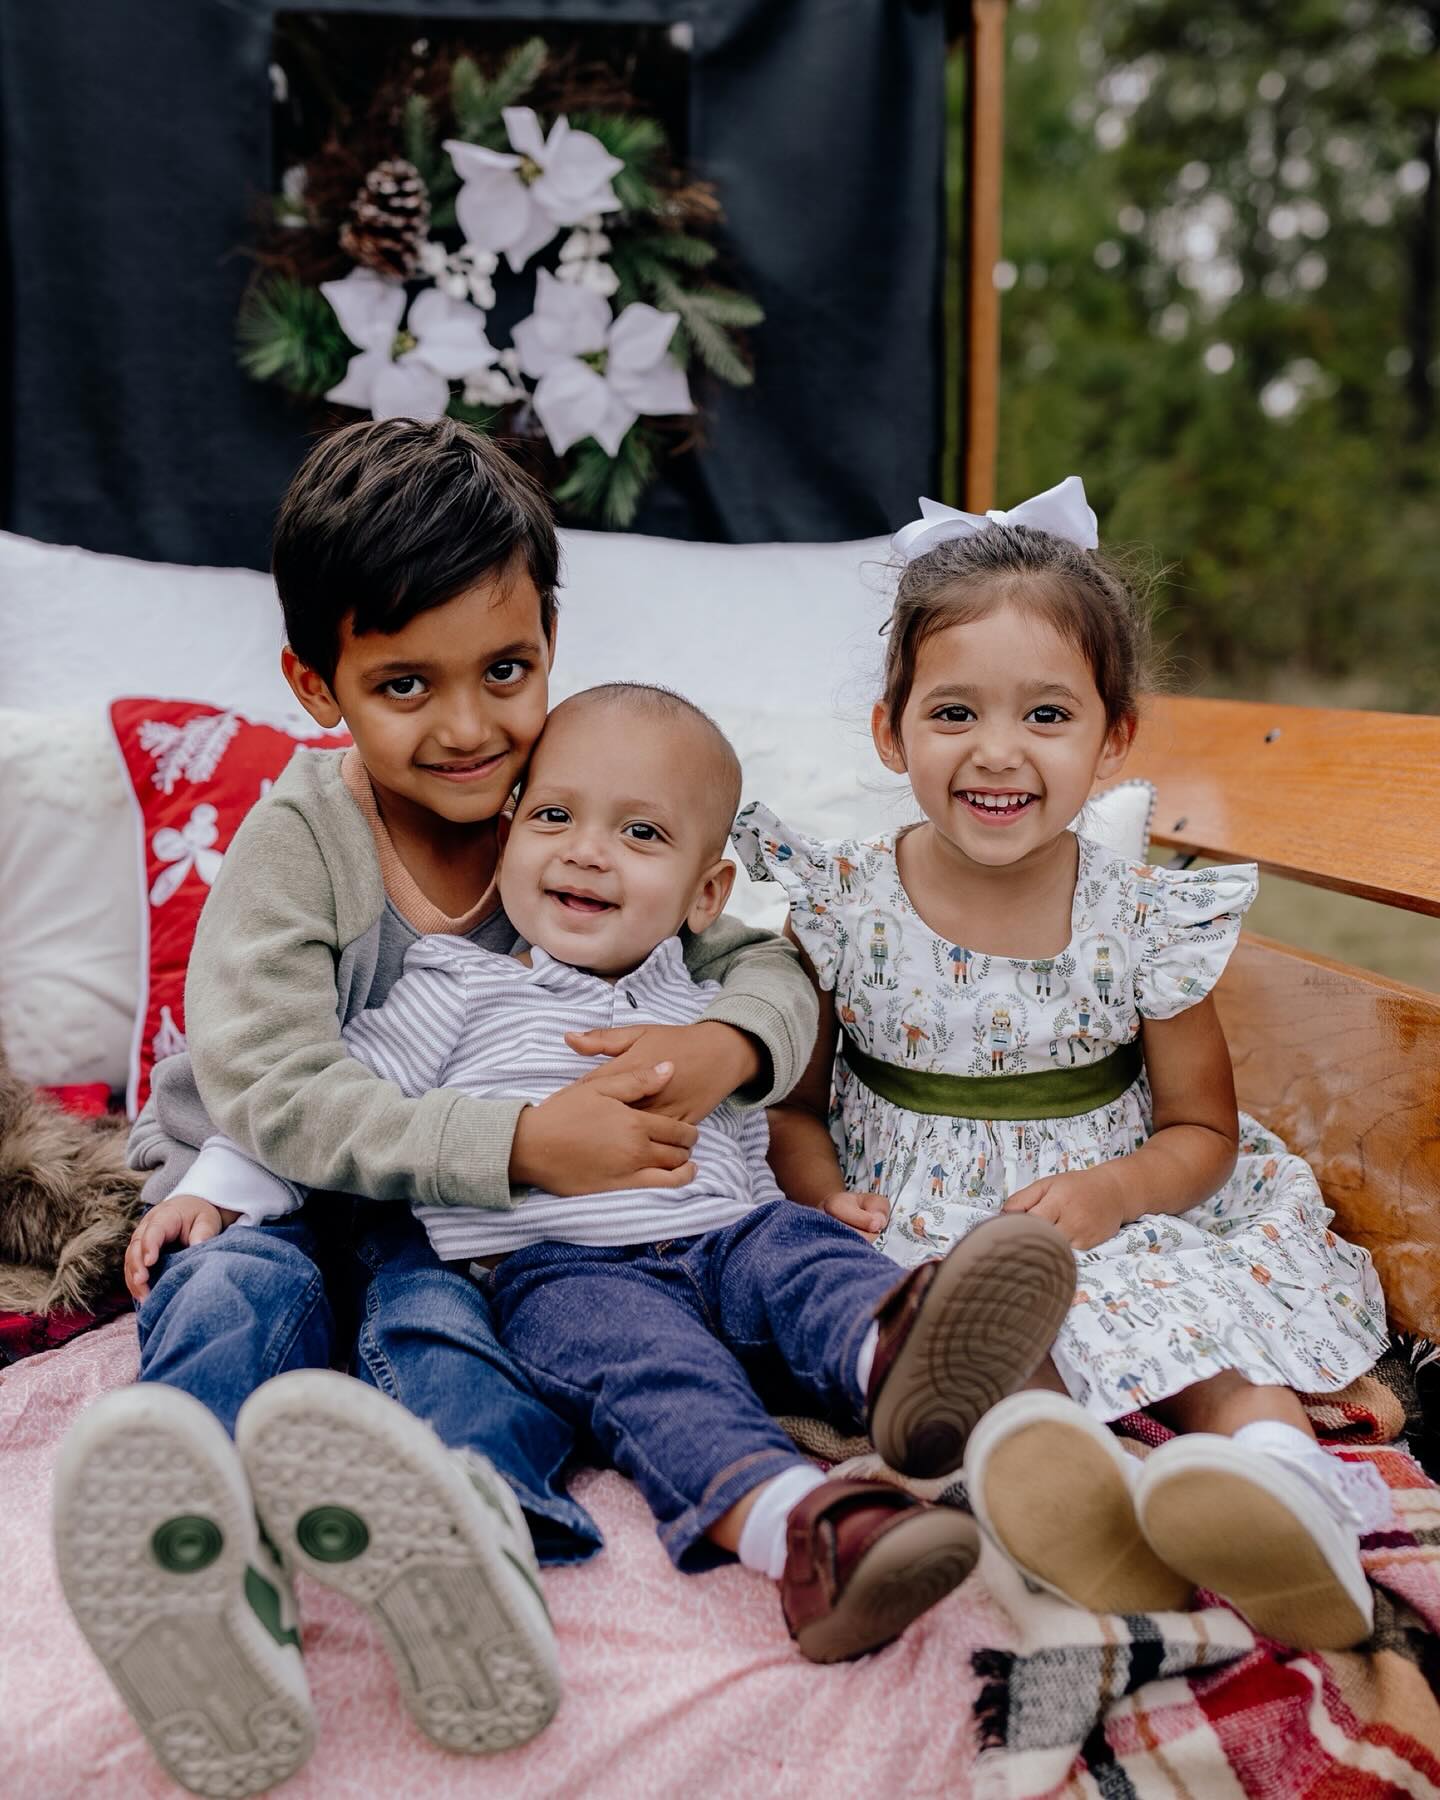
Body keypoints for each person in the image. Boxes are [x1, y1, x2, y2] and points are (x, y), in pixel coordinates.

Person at [53, 419, 820, 1798]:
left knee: (447, 1337)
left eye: (505, 671)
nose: (469, 728)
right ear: (317, 683)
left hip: (458, 1228)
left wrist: (726, 1046)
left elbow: (757, 957)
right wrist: (523, 1143)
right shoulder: (302, 842)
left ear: (550, 646)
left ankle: (477, 1549)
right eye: (406, 683)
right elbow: (276, 1089)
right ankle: (195, 1563)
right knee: (232, 1301)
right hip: (263, 1182)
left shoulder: (565, 803)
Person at [185, 682, 1079, 1668]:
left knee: (812, 1256)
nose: (586, 851)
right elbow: (330, 1099)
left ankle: (902, 1364)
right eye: (554, 818)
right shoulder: (455, 983)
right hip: (561, 1270)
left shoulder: (706, 998)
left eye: (641, 833)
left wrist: (800, 1170)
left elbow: (769, 1074)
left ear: (706, 895)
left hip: (730, 1233)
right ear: (507, 836)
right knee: (659, 1380)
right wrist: (219, 1185)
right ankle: (806, 1532)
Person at [737, 478, 1392, 1654]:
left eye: (1047, 715)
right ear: (890, 731)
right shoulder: (843, 903)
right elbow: (794, 1106)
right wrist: (822, 1193)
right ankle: (1073, 1506)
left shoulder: (1141, 920)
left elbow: (1202, 1130)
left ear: (1112, 737)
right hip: (923, 1215)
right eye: (954, 713)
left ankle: (1283, 1491)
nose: (999, 752)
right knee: (977, 1351)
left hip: (1113, 1203)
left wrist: (1117, 1192)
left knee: (1201, 1318)